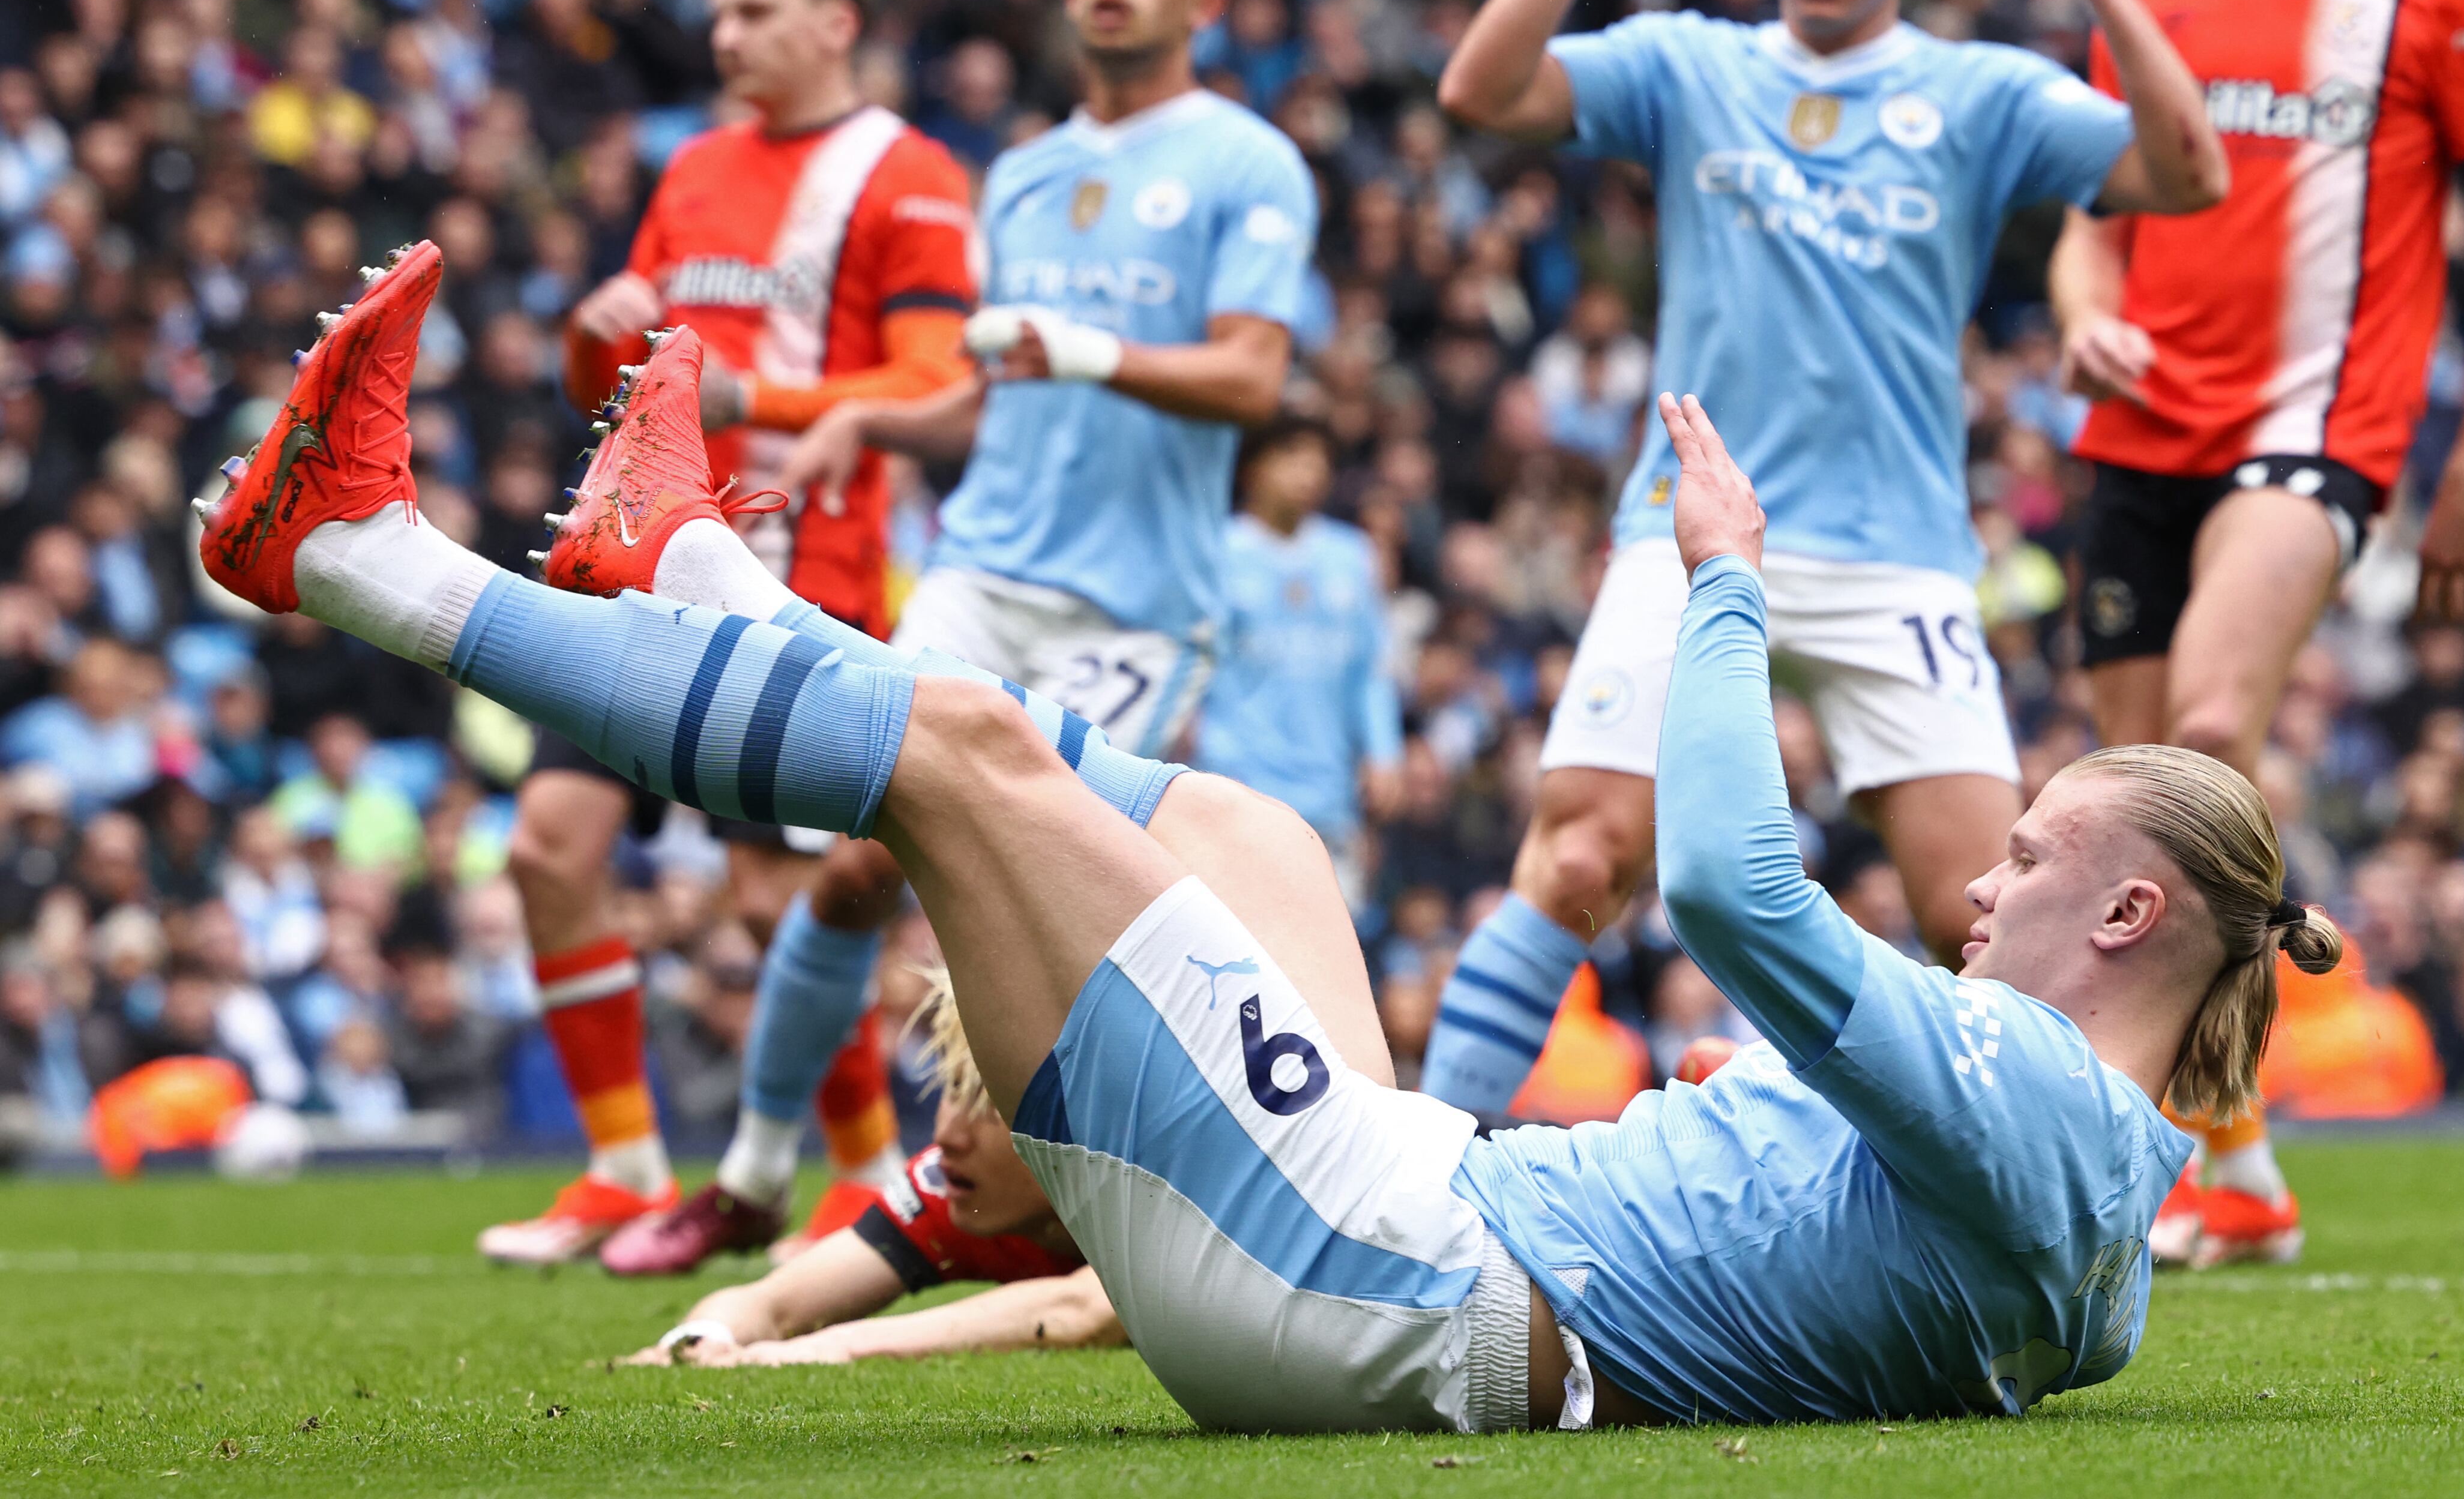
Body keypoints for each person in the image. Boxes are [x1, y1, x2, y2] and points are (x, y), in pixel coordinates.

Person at [197, 257, 2338, 1431]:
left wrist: (1721, 583)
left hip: (1399, 1282)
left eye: (2029, 851)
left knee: (954, 748)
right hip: (1419, 1233)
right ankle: (677, 565)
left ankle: (365, 558)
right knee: (1249, 828)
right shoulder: (2081, 1203)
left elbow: (1730, 891)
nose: (1982, 873)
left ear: (2127, 909)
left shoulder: (2031, 1100)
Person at [1420, 0, 2229, 1123]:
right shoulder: (1691, 63)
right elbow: (1480, 86)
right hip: (1691, 525)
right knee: (1580, 854)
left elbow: (2189, 170)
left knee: (1986, 902)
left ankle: (2046, 1184)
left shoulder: (1979, 95)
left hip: (1895, 549)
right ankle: (1418, 1166)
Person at [607, 0, 1316, 1273]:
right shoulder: (1028, 172)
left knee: (1077, 894)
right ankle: (754, 1177)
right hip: (982, 565)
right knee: (860, 865)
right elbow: (984, 392)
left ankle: (1101, 1198)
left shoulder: (1249, 162)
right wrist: (878, 417)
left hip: (1135, 605)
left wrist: (1088, 351)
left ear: (1206, 3)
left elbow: (1253, 377)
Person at [2048, 0, 2464, 1263]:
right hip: (2138, 427)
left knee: (2209, 733)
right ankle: (2235, 1161)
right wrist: (2080, 312)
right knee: (2126, 808)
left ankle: (2191, 1142)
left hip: (2313, 427)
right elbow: (2090, 207)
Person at [479, 0, 979, 1269]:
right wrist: (602, 325)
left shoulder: (907, 173)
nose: (724, 35)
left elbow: (937, 381)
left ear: (839, 20)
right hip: (629, 556)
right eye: (718, 12)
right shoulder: (690, 170)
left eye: (755, 9)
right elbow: (615, 381)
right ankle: (620, 1164)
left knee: (775, 899)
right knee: (547, 848)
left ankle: (863, 1164)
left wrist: (757, 398)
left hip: (789, 563)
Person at [618, 969, 1119, 1368]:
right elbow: (771, 1305)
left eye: (989, 1104)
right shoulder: (951, 1183)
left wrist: (839, 1347)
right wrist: (701, 1341)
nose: (947, 1135)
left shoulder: (1160, 1181)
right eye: (951, 1088)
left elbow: (1084, 1311)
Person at [1193, 417, 1405, 916]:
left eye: (1319, 461)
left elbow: (1370, 668)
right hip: (1239, 784)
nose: (1310, 472)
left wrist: (1384, 751)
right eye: (1292, 456)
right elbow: (1193, 666)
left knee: (1331, 948)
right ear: (1252, 467)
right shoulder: (1216, 552)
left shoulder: (1351, 555)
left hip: (1329, 795)